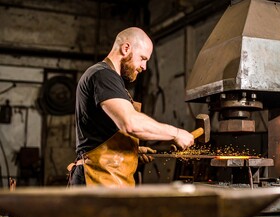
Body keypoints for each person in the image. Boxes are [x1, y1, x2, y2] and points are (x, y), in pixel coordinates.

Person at [68, 27, 194, 187]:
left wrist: (129, 151)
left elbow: (99, 134)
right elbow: (130, 123)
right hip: (96, 178)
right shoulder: (103, 75)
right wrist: (175, 133)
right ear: (126, 48)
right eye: (142, 58)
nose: (144, 66)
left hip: (105, 177)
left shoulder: (110, 79)